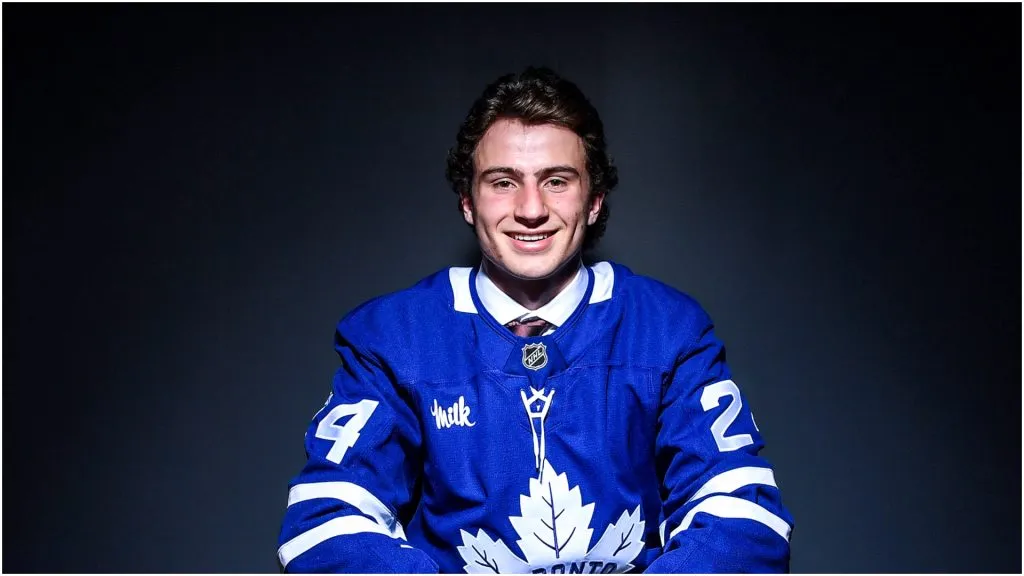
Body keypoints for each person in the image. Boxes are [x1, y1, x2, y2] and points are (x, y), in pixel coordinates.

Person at [277, 67, 793, 574]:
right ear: (466, 201)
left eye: (556, 181)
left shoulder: (667, 329)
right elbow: (324, 524)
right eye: (503, 182)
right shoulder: (396, 336)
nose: (530, 209)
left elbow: (745, 518)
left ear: (593, 201)